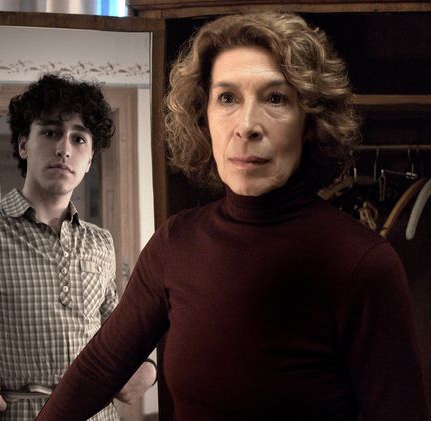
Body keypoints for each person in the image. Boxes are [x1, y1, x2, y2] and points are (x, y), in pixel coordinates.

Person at [36, 12, 430, 420]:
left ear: (309, 122)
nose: (246, 126)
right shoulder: (176, 243)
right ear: (203, 116)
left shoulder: (363, 264)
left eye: (275, 99)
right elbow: (99, 368)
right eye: (227, 98)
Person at [0, 73, 157, 421]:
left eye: (79, 138)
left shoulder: (100, 241)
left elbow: (118, 331)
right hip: (23, 414)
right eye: (51, 132)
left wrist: (149, 367)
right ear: (24, 144)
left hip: (99, 414)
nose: (64, 148)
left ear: (90, 158)